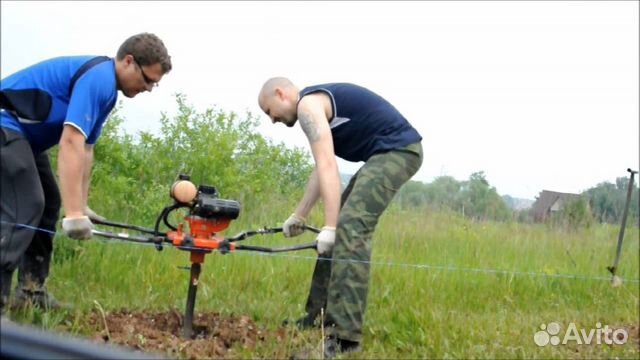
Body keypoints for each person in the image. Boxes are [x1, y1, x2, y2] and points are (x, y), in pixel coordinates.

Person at [0, 33, 172, 312]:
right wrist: (73, 216)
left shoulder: (108, 92)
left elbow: (86, 149)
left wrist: (79, 205)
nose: (149, 88)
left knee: (49, 204)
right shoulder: (99, 79)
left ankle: (31, 292)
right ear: (128, 61)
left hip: (25, 138)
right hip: (5, 123)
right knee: (26, 204)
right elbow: (70, 141)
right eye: (148, 79)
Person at [257, 78, 423, 358]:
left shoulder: (308, 106)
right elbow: (321, 169)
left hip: (399, 151)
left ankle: (344, 337)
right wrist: (300, 214)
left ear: (280, 93)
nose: (271, 119)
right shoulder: (313, 108)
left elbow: (328, 166)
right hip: (381, 155)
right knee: (340, 230)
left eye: (268, 110)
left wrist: (332, 227)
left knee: (350, 227)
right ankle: (317, 319)